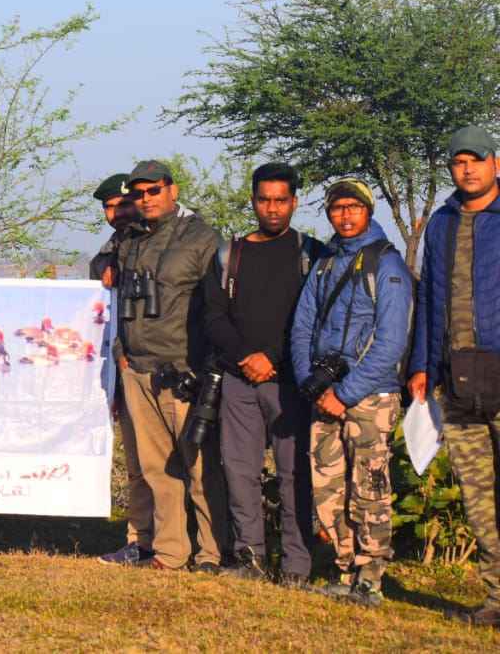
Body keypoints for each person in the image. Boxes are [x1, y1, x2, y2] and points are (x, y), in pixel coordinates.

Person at [290, 177, 412, 606]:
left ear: (368, 210)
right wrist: (312, 382)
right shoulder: (324, 263)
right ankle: (345, 568)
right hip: (325, 394)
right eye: (337, 208)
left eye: (353, 207)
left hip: (371, 397)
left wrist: (344, 393)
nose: (345, 215)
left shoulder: (387, 265)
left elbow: (391, 343)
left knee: (369, 488)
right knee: (328, 486)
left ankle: (371, 579)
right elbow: (303, 325)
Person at [202, 163, 321, 586]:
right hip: (238, 380)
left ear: (294, 201)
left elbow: (313, 319)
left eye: (280, 200)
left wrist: (272, 359)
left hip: (290, 382)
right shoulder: (228, 254)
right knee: (238, 471)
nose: (272, 209)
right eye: (264, 200)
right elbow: (213, 318)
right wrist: (247, 357)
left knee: (295, 476)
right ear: (252, 200)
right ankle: (249, 557)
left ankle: (295, 565)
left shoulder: (312, 254)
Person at [114, 159, 227, 572]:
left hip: (184, 372)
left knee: (200, 468)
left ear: (172, 190)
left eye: (153, 191)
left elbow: (218, 308)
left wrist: (208, 369)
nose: (145, 199)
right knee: (157, 469)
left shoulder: (203, 238)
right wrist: (120, 350)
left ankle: (213, 553)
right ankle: (170, 551)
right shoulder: (131, 240)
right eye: (138, 194)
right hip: (139, 370)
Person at [408, 125, 500, 627]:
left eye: (477, 160)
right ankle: (496, 599)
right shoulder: (441, 223)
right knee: (477, 495)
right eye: (459, 162)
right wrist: (421, 364)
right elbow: (427, 299)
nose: (468, 169)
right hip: (458, 378)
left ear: (495, 163)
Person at [89, 172, 154, 566]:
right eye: (109, 208)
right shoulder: (114, 246)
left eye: (122, 205)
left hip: (167, 367)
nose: (116, 214)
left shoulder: (160, 239)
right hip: (125, 366)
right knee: (137, 464)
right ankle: (140, 538)